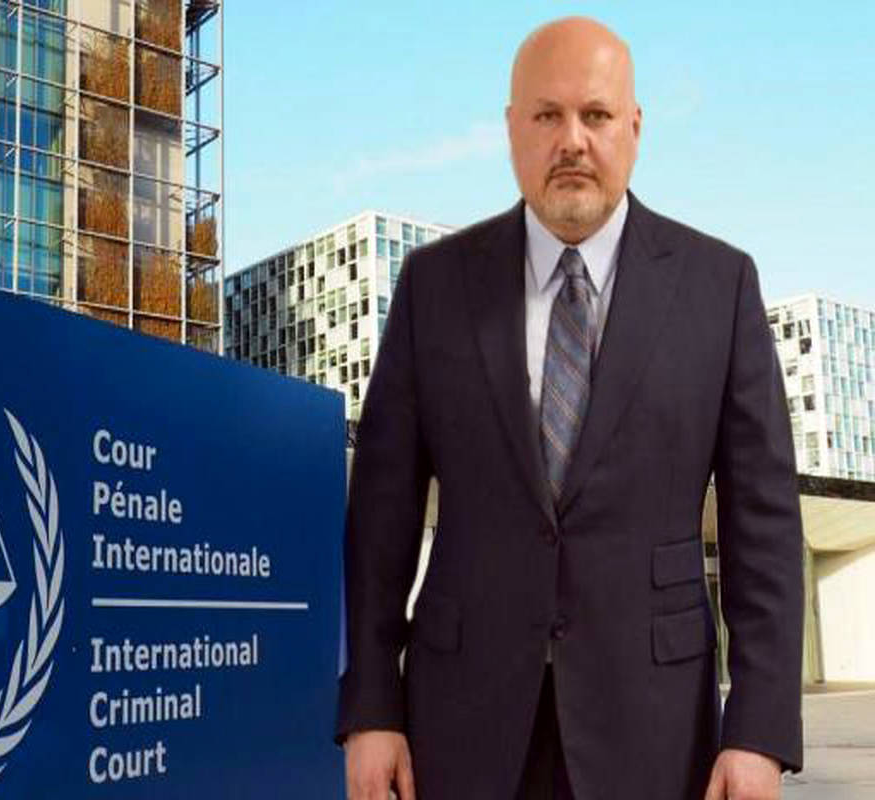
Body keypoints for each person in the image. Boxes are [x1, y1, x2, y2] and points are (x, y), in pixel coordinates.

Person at [336, 16, 803, 800]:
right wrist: (371, 709)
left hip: (657, 732)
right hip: (460, 728)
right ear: (511, 129)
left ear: (635, 128)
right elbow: (381, 518)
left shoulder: (720, 288)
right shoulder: (432, 287)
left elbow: (765, 526)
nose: (572, 141)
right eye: (547, 115)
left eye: (596, 114)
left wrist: (757, 732)